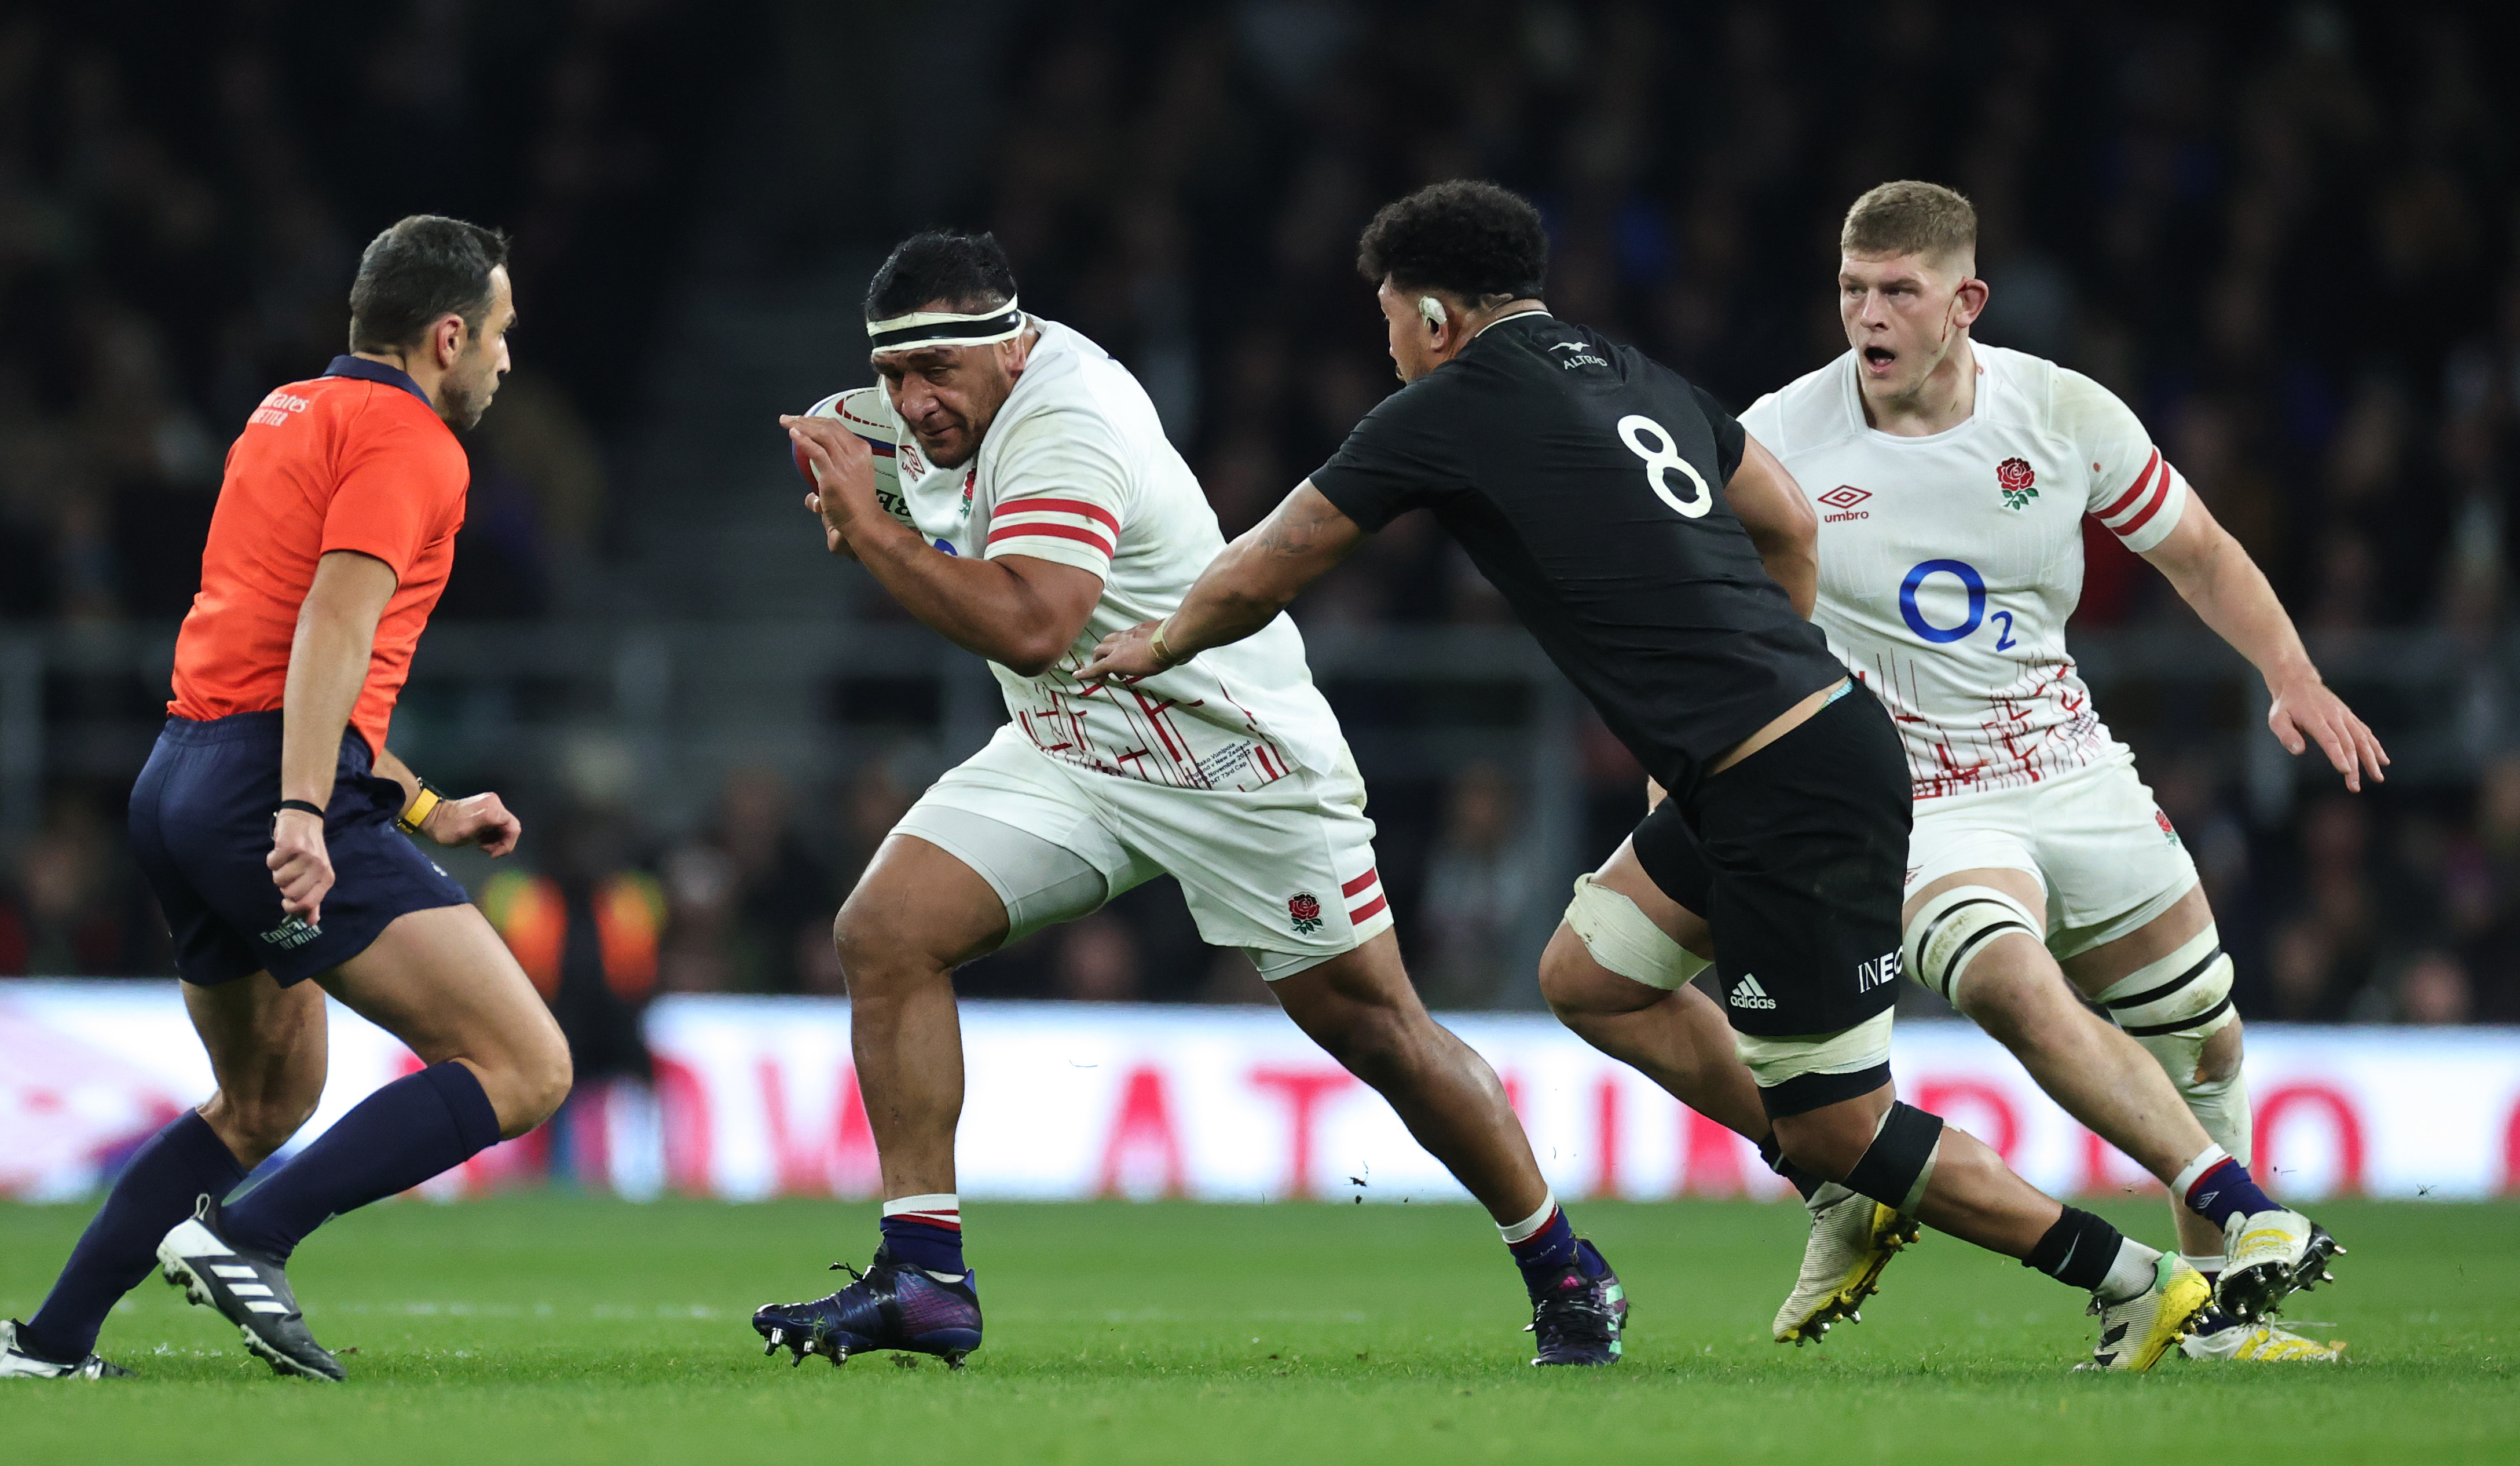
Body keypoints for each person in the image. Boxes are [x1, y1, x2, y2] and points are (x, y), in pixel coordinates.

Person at [1085, 180, 2220, 1372]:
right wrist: (1762, 682)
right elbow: (1784, 519)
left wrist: (1154, 643)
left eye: (1386, 321)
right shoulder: (1626, 372)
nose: (1387, 346)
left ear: (1431, 320)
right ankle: (1834, 1189)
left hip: (1791, 783)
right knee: (1593, 976)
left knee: (1846, 1120)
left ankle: (2131, 1280)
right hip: (1774, 755)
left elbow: (1274, 558)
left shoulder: (1447, 405)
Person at [754, 231, 1624, 1371]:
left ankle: (1562, 1265)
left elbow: (1029, 619)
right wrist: (863, 507)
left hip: (1234, 762)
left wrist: (869, 534)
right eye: (895, 376)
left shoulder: (1067, 419)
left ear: (1010, 347)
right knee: (885, 931)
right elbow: (934, 526)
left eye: (938, 374)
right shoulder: (905, 415)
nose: (914, 402)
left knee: (1377, 1032)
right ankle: (924, 1275)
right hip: (1076, 741)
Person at [1537, 180, 2357, 1364]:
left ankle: (2217, 1315)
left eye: (1897, 293)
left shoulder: (2063, 414)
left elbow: (2197, 550)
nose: (1867, 316)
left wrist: (2292, 674)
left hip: (2071, 764)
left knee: (2204, 1044)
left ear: (1964, 301)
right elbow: (1720, 628)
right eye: (1850, 290)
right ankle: (2212, 1216)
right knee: (2000, 975)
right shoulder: (1779, 436)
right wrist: (1687, 786)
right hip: (1911, 791)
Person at [0, 217, 569, 1384]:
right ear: (446, 335)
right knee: (526, 1065)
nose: (507, 361)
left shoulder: (288, 410)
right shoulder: (417, 443)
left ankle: (50, 1345)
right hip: (268, 789)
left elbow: (285, 648)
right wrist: (306, 814)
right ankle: (247, 1234)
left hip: (181, 779)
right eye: (500, 335)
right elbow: (333, 628)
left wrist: (424, 810)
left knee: (264, 1100)